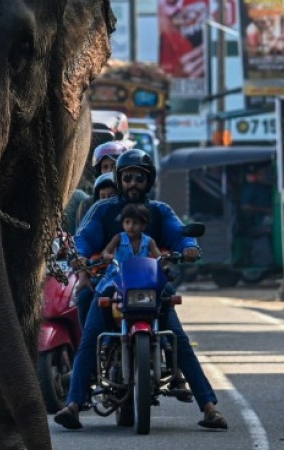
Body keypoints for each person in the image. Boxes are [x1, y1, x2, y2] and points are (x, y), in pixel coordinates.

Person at [54, 149, 228, 431]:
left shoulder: (160, 211)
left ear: (148, 182)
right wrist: (82, 256)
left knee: (179, 339)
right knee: (90, 337)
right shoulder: (103, 209)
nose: (132, 183)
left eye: (138, 178)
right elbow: (83, 239)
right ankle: (73, 405)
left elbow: (179, 233)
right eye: (127, 178)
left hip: (151, 284)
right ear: (119, 180)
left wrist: (190, 248)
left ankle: (209, 408)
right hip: (112, 284)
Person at [73, 172, 119, 328]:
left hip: (134, 277)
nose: (106, 200)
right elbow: (82, 245)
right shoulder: (93, 219)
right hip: (101, 276)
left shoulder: (132, 214)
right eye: (103, 196)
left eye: (112, 195)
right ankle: (89, 343)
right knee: (85, 295)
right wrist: (83, 275)